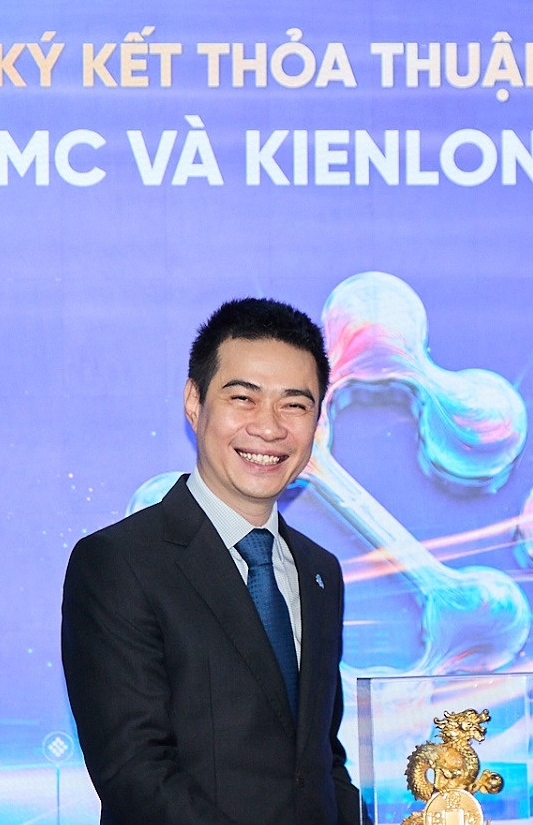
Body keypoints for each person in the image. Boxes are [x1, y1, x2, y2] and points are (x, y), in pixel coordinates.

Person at [61, 298, 360, 825]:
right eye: (243, 398)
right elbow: (135, 771)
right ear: (194, 403)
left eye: (294, 405)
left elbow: (320, 761)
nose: (269, 428)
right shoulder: (118, 563)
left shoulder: (321, 572)